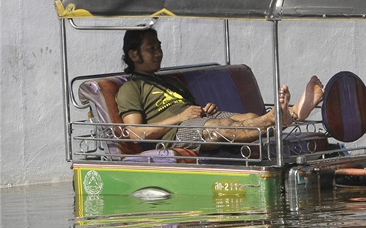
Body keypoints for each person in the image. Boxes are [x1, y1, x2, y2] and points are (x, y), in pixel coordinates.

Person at [116, 28, 324, 152]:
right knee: (222, 127)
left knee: (249, 116)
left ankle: (289, 114)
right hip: (175, 134)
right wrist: (181, 116)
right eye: (151, 48)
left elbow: (191, 110)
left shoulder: (171, 82)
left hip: (195, 121)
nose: (158, 53)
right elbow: (135, 133)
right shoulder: (131, 88)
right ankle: (283, 117)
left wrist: (203, 109)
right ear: (134, 55)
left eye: (159, 47)